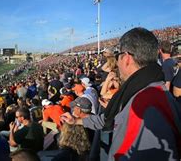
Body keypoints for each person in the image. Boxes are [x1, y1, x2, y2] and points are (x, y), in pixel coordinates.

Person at [61, 27, 181, 160]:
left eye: (117, 55)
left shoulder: (143, 104)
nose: (116, 62)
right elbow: (109, 119)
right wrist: (76, 120)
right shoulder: (143, 89)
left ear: (127, 58)